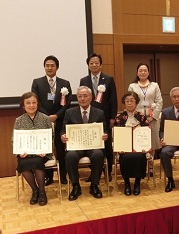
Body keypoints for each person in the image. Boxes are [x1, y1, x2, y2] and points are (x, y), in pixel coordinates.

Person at [61, 86, 108, 200]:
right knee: (70, 156)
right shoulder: (69, 112)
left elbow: (105, 130)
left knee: (98, 155)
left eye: (85, 96)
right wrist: (63, 136)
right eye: (80, 96)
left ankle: (94, 185)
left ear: (91, 97)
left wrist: (105, 135)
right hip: (77, 146)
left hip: (93, 146)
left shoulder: (99, 113)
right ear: (77, 98)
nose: (82, 99)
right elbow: (63, 130)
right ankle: (76, 186)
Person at [31, 55, 72, 186]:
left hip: (60, 121)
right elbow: (35, 102)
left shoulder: (65, 84)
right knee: (46, 149)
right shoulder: (37, 82)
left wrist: (57, 116)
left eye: (52, 65)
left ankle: (63, 175)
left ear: (57, 67)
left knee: (61, 149)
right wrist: (47, 117)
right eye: (47, 65)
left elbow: (67, 103)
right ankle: (48, 176)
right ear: (44, 67)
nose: (49, 68)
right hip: (43, 121)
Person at [80, 53, 118, 182]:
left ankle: (108, 173)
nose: (94, 65)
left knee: (107, 145)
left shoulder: (108, 79)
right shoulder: (84, 80)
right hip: (89, 118)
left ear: (101, 64)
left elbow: (113, 99)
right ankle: (94, 172)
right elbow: (83, 99)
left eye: (96, 62)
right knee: (92, 145)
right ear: (88, 65)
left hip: (105, 118)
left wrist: (112, 117)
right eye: (91, 63)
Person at [13, 92, 52, 206]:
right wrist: (20, 151)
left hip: (42, 153)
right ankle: (35, 190)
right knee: (23, 164)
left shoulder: (45, 118)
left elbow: (51, 136)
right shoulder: (19, 120)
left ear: (38, 104)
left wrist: (46, 150)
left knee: (36, 162)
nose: (31, 105)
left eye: (34, 102)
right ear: (23, 105)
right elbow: (14, 138)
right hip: (25, 154)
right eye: (28, 103)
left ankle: (42, 191)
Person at [128, 63, 163, 174]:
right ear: (137, 73)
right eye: (140, 70)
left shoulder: (155, 85)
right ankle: (141, 164)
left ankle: (151, 166)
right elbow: (130, 101)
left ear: (148, 72)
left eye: (145, 70)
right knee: (140, 140)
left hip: (152, 117)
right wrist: (138, 117)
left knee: (152, 140)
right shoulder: (132, 86)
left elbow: (159, 101)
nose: (143, 72)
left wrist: (152, 117)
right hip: (137, 118)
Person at [114, 91, 149, 196]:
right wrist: (119, 148)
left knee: (139, 157)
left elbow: (146, 134)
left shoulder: (142, 117)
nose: (129, 103)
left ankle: (137, 183)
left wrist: (145, 147)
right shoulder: (119, 118)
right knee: (125, 157)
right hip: (124, 149)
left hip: (139, 148)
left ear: (136, 102)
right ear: (124, 103)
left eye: (132, 101)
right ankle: (127, 184)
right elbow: (117, 135)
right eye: (127, 101)